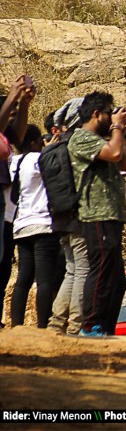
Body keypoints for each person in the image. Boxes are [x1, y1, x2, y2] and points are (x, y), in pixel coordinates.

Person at [69, 92, 126, 336]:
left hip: (111, 213)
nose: (112, 117)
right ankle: (90, 326)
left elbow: (125, 164)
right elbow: (114, 154)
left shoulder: (105, 140)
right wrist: (118, 127)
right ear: (96, 114)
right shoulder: (81, 138)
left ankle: (106, 330)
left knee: (117, 280)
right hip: (96, 213)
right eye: (110, 112)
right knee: (100, 270)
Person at [10, 125, 64, 327]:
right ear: (33, 142)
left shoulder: (14, 161)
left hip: (21, 226)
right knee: (44, 280)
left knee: (23, 279)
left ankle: (16, 326)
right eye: (40, 141)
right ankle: (42, 326)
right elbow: (56, 170)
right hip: (43, 225)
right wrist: (51, 148)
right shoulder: (38, 159)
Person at [46, 98, 88, 335]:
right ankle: (74, 326)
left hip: (59, 218)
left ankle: (56, 323)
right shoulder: (78, 145)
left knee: (72, 269)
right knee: (82, 269)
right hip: (78, 216)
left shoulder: (53, 148)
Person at [0, 75, 35, 327]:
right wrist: (12, 96)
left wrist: (23, 104)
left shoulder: (5, 138)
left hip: (6, 207)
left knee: (3, 265)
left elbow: (18, 137)